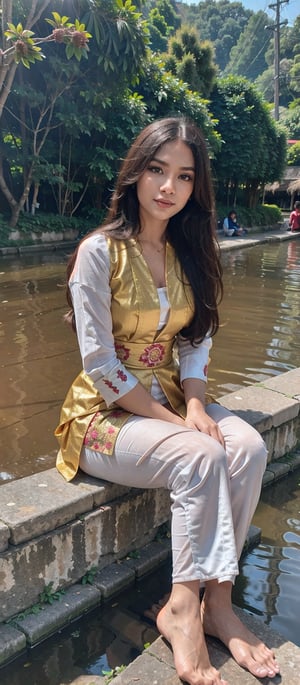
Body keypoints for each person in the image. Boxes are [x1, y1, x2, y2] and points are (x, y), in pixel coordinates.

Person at [55, 117, 280, 685]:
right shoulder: (98, 253)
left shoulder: (189, 250)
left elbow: (196, 341)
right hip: (103, 416)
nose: (167, 187)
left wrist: (198, 406)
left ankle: (218, 604)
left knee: (248, 446)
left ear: (195, 188)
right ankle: (181, 609)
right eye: (157, 170)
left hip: (174, 401)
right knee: (199, 455)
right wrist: (172, 422)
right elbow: (100, 366)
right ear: (135, 172)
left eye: (183, 176)